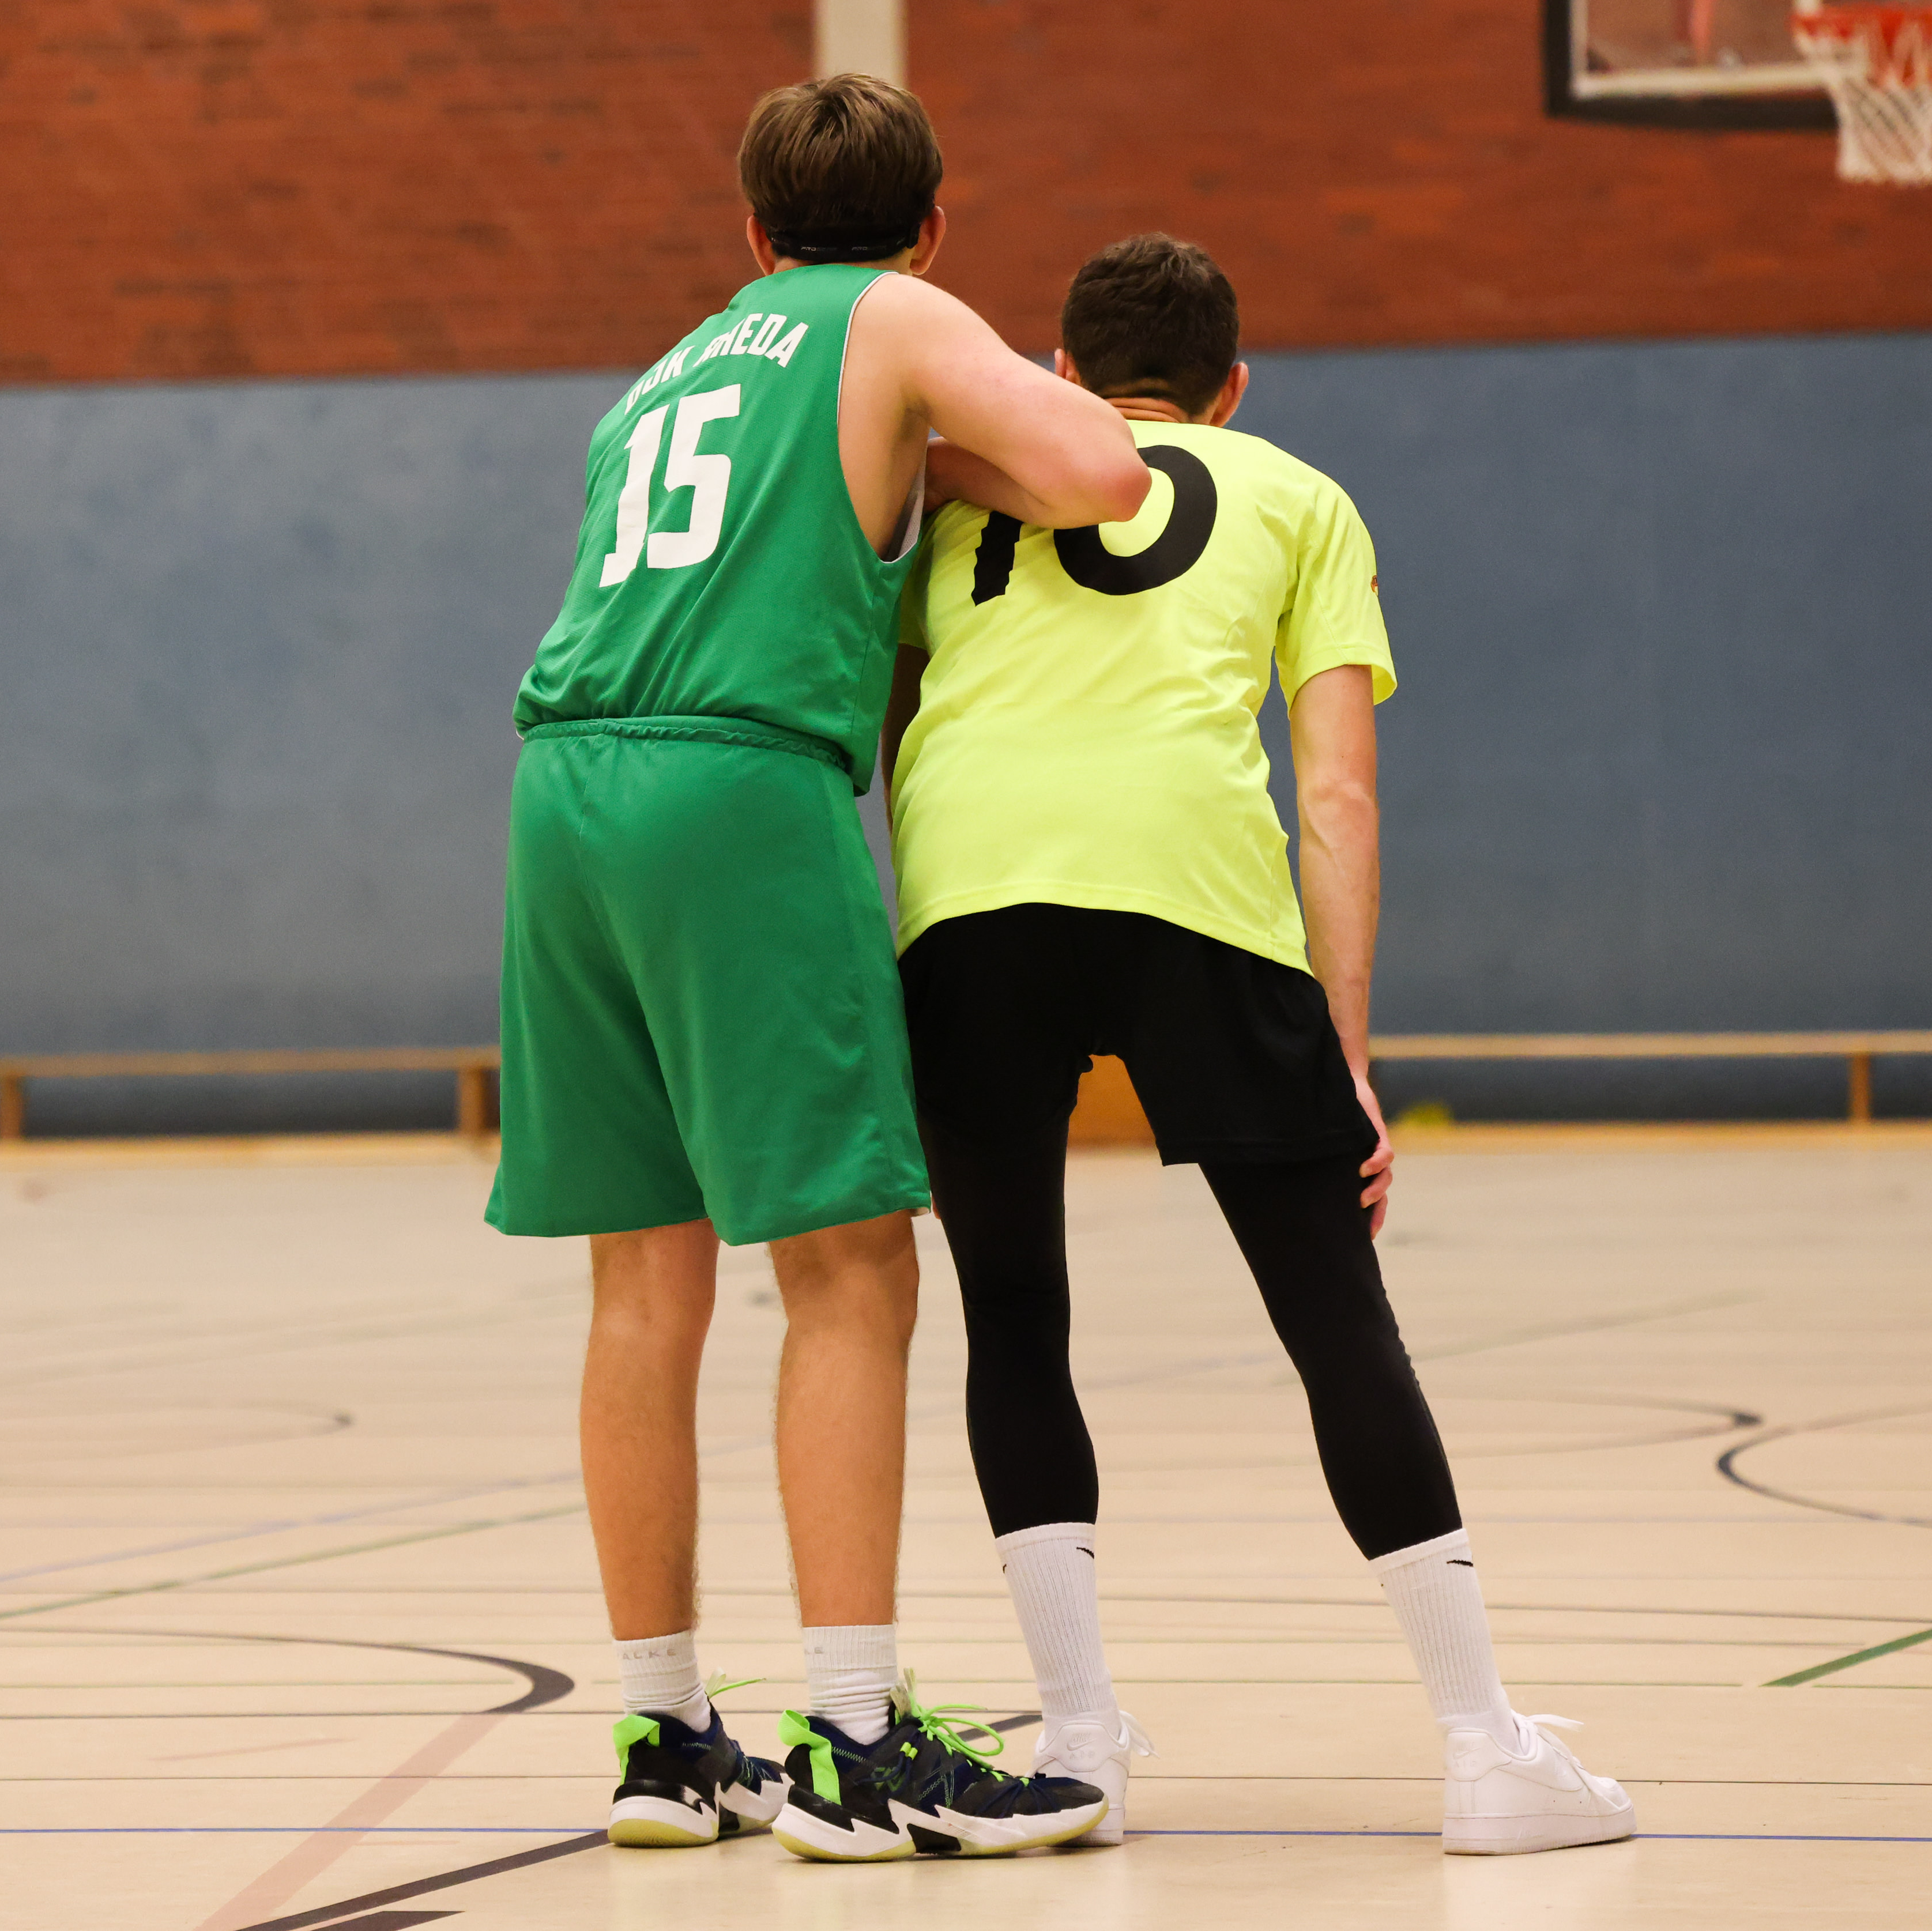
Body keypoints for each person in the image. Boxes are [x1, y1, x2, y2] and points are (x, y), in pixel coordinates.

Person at [888, 233, 1637, 1856]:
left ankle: (1074, 1745)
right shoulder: (1298, 496)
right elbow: (1336, 793)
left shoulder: (959, 502)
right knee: (1332, 1318)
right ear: (1231, 387)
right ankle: (1479, 1745)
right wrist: (1343, 1058)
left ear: (1060, 374)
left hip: (968, 901)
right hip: (1196, 897)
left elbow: (891, 728)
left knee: (1010, 1317)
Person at [488, 74, 1151, 1862]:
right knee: (849, 1263)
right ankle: (853, 1737)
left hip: (561, 794)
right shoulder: (893, 316)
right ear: (926, 226)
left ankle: (661, 1731)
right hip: (734, 782)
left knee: (642, 1278)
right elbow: (1101, 472)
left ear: (749, 230)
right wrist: (961, 448)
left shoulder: (659, 378)